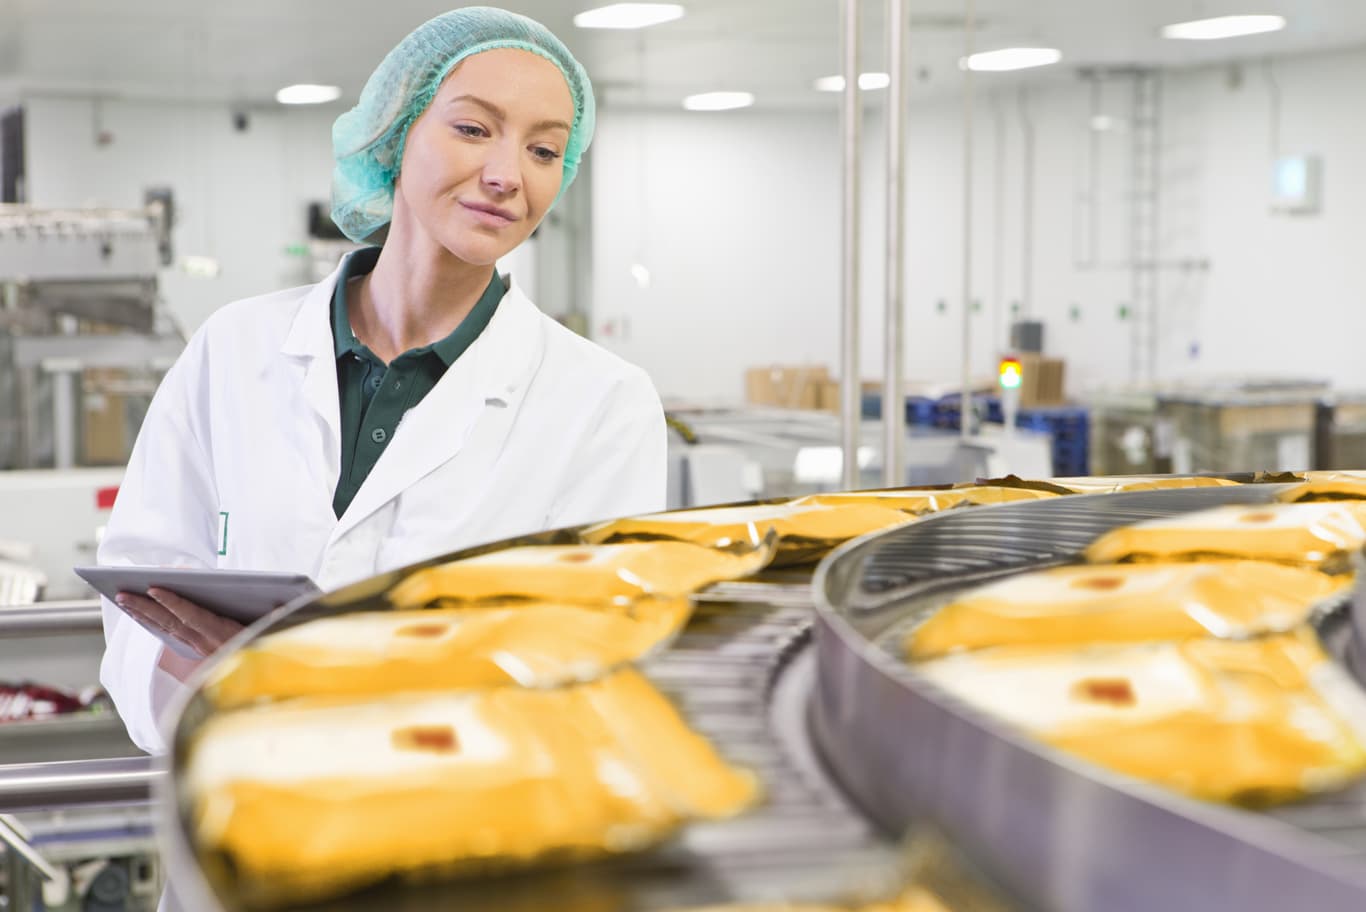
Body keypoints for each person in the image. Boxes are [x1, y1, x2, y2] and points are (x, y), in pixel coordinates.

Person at [98, 7, 666, 756]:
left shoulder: (602, 404)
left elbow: (589, 667)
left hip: (446, 841)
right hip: (236, 807)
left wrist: (314, 692)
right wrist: (218, 688)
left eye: (544, 150)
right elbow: (143, 596)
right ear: (396, 135)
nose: (506, 175)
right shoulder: (234, 347)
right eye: (473, 129)